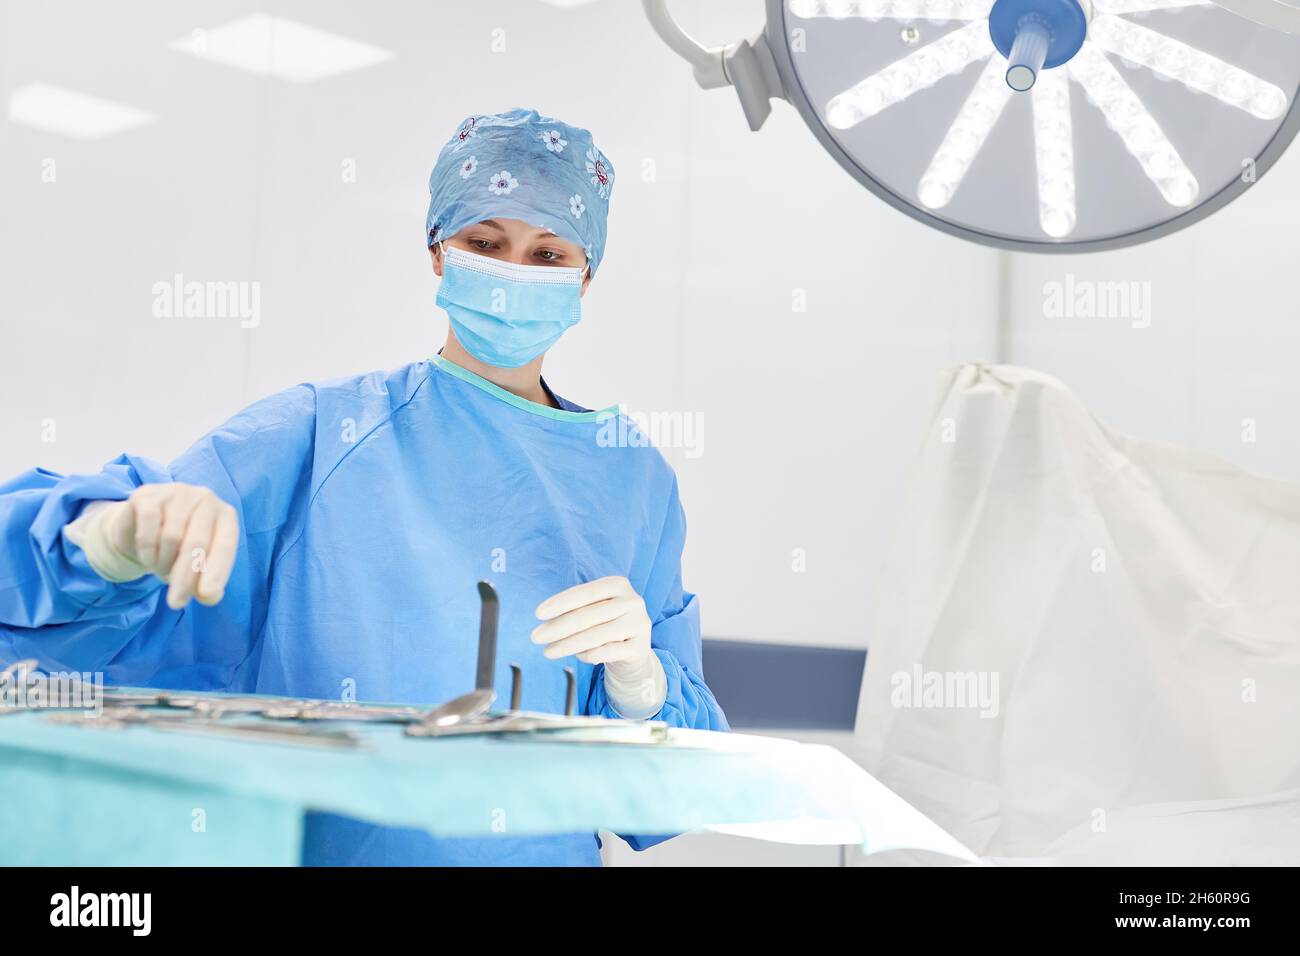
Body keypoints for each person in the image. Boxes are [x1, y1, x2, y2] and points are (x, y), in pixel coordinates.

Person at [0, 108, 728, 866]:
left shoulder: (631, 480)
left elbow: (673, 791)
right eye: (485, 242)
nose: (516, 271)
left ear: (586, 276)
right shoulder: (323, 434)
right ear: (438, 253)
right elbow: (86, 602)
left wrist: (642, 685)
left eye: (548, 253)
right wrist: (106, 542)